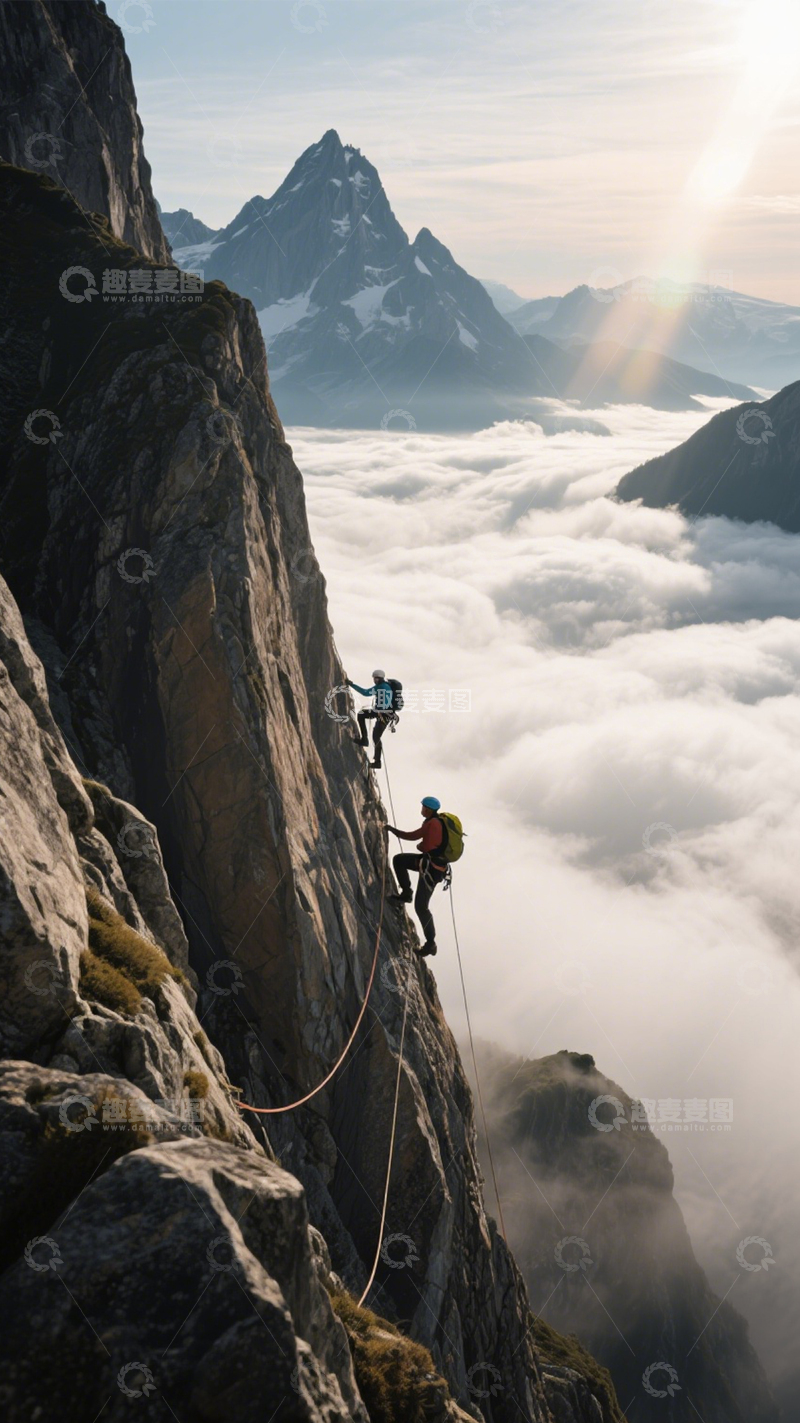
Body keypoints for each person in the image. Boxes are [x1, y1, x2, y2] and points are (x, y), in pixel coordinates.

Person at [387, 796, 447, 957]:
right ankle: (406, 893)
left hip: (431, 869)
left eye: (423, 807)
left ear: (427, 809)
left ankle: (430, 944)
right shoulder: (435, 821)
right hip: (429, 864)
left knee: (421, 907)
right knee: (399, 860)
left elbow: (416, 838)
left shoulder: (432, 823)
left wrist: (395, 832)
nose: (421, 809)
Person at [347, 668, 397, 769]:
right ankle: (365, 741)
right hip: (384, 714)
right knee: (363, 717)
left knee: (376, 736)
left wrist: (352, 685)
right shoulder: (385, 686)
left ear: (378, 678)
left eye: (374, 678)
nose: (374, 680)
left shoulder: (381, 687)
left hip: (383, 714)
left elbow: (365, 692)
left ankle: (376, 760)